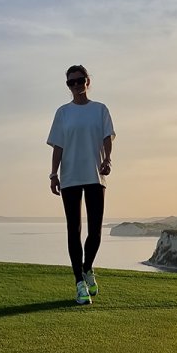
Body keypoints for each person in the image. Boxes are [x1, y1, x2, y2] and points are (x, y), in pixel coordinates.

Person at [47, 65, 115, 305]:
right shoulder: (63, 113)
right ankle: (79, 283)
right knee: (73, 229)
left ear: (88, 81)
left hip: (95, 175)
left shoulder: (100, 110)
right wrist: (53, 174)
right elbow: (58, 145)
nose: (75, 85)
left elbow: (107, 137)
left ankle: (87, 268)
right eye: (70, 83)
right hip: (70, 176)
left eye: (79, 80)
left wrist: (107, 159)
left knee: (95, 231)